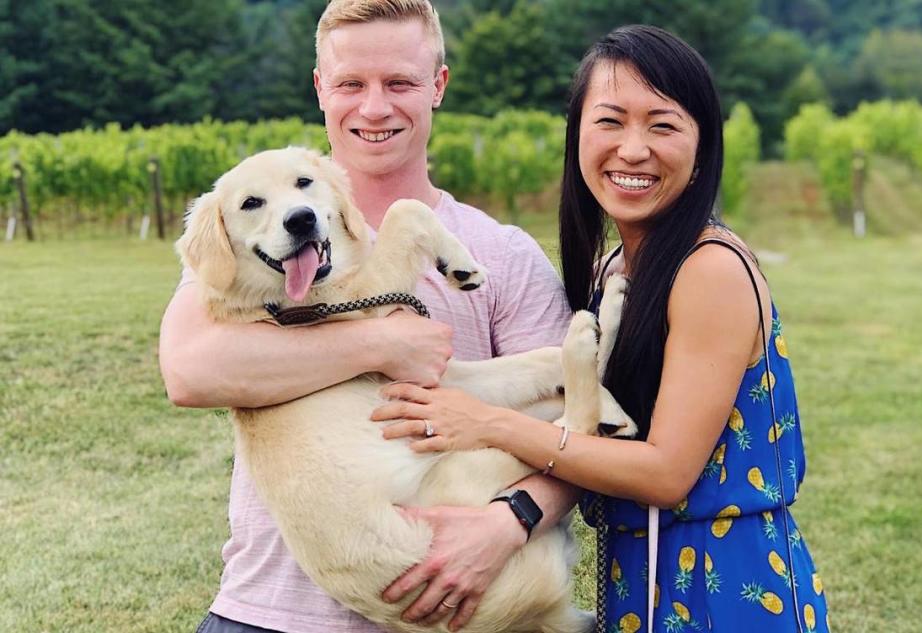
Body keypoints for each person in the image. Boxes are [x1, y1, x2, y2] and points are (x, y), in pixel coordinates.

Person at [372, 25, 831, 633]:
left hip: (729, 590)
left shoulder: (710, 269)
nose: (633, 149)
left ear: (702, 146)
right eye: (610, 121)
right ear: (578, 135)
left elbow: (667, 473)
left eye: (662, 125)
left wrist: (486, 421)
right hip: (641, 577)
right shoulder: (616, 269)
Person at [158, 1, 575, 632]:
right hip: (266, 614)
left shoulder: (503, 253)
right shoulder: (253, 241)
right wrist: (382, 345)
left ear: (438, 85)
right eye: (352, 83)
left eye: (400, 82)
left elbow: (580, 429)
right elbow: (190, 372)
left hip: (456, 607)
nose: (374, 107)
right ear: (320, 86)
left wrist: (511, 517)